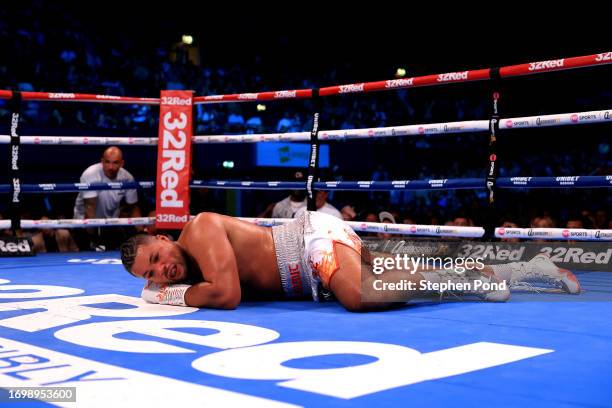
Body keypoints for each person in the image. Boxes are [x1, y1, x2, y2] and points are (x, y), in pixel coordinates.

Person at [120, 211, 581, 312]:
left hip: (307, 242)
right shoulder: (185, 266)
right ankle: (529, 270)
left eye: (157, 259)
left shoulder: (199, 228)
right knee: (399, 278)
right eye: (151, 274)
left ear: (164, 237)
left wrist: (162, 296)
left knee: (360, 297)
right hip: (307, 277)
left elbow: (228, 295)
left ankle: (467, 284)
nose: (162, 272)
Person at [73, 146, 142, 250]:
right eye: (107, 162)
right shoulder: (90, 174)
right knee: (88, 256)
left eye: (115, 163)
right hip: (84, 224)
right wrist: (93, 238)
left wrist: (142, 234)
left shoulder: (127, 178)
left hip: (110, 224)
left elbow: (133, 208)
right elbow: (90, 208)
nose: (110, 167)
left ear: (122, 163)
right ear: (102, 161)